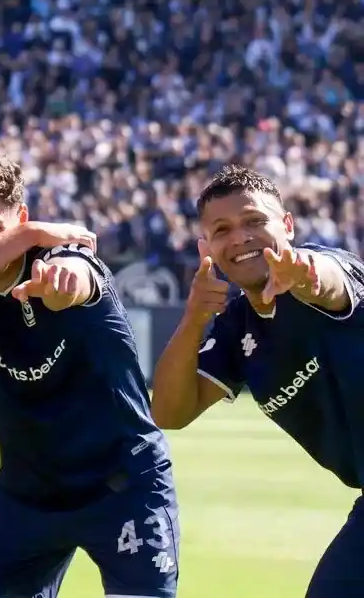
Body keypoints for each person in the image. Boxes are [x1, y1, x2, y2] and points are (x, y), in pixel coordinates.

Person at [0, 156, 180, 598]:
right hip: (27, 493)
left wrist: (59, 283)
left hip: (122, 484)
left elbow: (76, 277)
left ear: (19, 216)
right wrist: (28, 233)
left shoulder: (60, 256)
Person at [151, 164, 364, 598]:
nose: (240, 238)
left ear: (287, 225)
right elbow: (170, 413)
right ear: (206, 247)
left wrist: (302, 274)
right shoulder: (236, 327)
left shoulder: (331, 267)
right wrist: (193, 319)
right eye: (222, 230)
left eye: (254, 221)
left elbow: (328, 283)